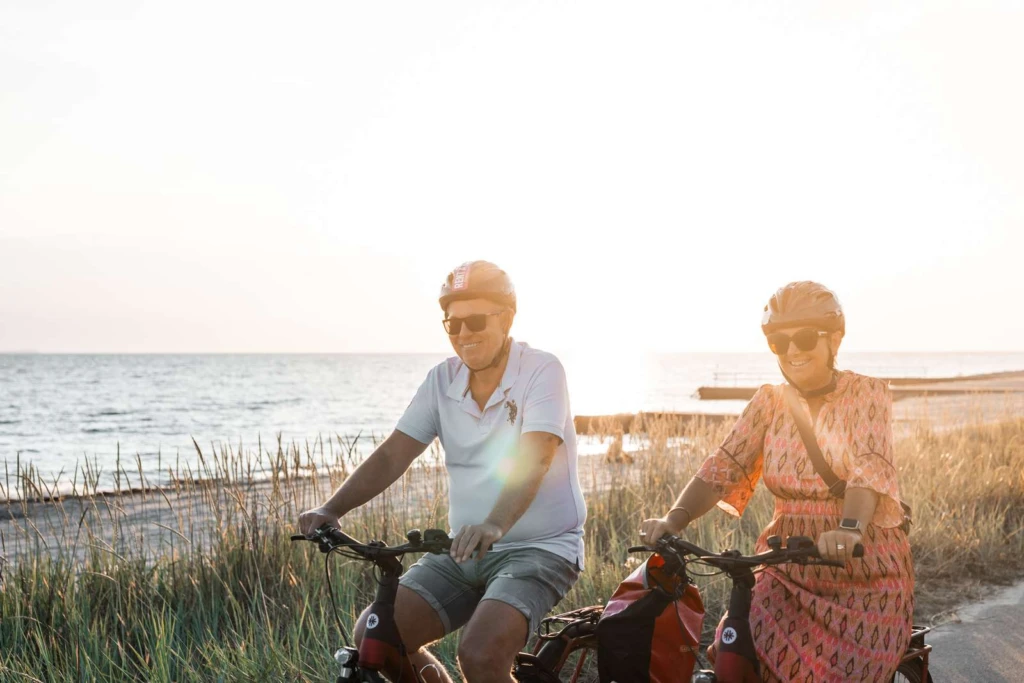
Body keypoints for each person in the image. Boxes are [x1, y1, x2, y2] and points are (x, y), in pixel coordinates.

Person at [299, 260, 586, 683]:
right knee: (375, 637)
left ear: (506, 318)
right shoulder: (441, 381)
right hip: (463, 549)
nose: (464, 334)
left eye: (475, 321)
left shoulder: (541, 370)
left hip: (540, 548)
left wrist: (494, 523)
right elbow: (394, 454)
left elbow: (537, 455)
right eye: (453, 325)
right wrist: (331, 507)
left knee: (481, 655)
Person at [640, 281, 914, 682]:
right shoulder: (769, 402)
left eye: (804, 338)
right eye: (778, 343)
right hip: (786, 562)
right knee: (736, 645)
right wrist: (672, 520)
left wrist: (850, 528)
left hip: (861, 566)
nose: (792, 351)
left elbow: (868, 471)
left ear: (835, 339)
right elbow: (724, 465)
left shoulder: (866, 394)